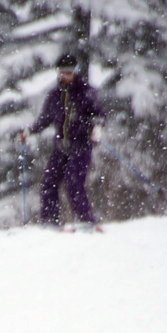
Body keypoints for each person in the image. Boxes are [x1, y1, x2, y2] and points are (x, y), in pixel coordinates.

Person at [16, 53, 104, 230]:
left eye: (69, 72)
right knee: (49, 182)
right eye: (62, 72)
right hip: (61, 146)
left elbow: (99, 115)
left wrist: (96, 128)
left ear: (76, 72)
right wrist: (29, 131)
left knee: (74, 182)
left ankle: (86, 221)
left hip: (80, 145)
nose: (65, 76)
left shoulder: (87, 92)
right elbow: (45, 119)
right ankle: (50, 222)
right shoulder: (55, 95)